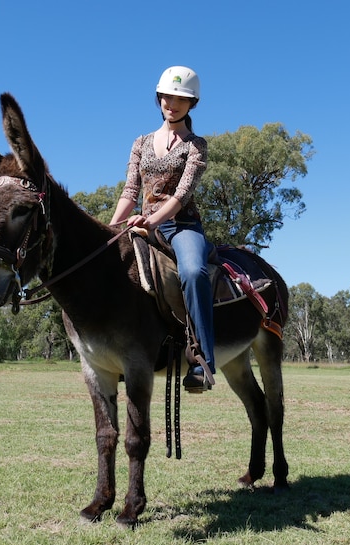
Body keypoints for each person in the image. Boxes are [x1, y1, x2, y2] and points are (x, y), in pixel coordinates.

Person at [109, 65, 215, 392]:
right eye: (168, 96)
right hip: (143, 224)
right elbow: (130, 191)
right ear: (159, 98)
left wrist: (152, 220)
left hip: (180, 226)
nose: (172, 103)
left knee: (194, 272)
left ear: (191, 103)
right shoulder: (140, 142)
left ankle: (202, 360)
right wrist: (111, 228)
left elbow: (181, 196)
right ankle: (120, 350)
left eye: (181, 98)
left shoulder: (196, 146)